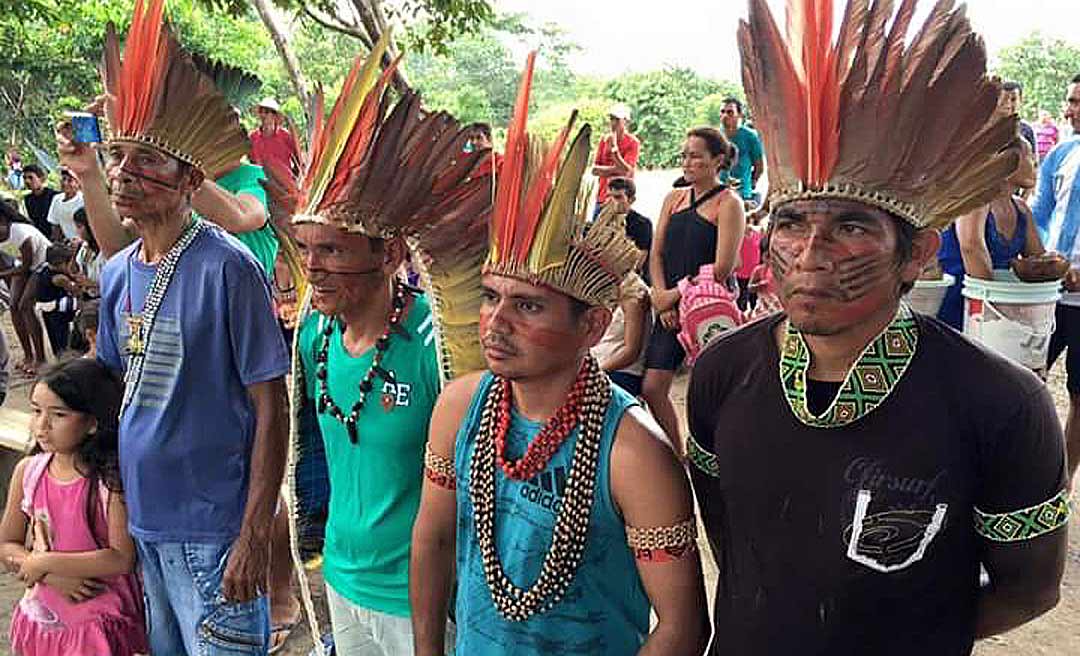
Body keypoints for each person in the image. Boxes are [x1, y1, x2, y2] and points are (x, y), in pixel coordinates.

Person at [689, 2, 1068, 654]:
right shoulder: (723, 371)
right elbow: (733, 539)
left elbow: (1030, 587)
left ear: (917, 252)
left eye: (852, 227)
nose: (810, 255)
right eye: (791, 224)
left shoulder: (1002, 404)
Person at [410, 53, 709, 656]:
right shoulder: (460, 406)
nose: (495, 322)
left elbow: (682, 629)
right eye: (491, 297)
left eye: (528, 306)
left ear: (593, 323)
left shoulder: (635, 454)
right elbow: (432, 540)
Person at [82, 4, 291, 653]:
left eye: (146, 160)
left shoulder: (227, 269)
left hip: (215, 529)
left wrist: (255, 529)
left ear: (191, 180)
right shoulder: (117, 271)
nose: (124, 174)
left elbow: (270, 404)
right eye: (118, 156)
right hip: (146, 525)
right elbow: (115, 386)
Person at [285, 35, 492, 654]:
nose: (313, 268)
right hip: (343, 583)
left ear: (390, 254)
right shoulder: (314, 331)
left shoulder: (438, 345)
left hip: (422, 598)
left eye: (333, 250)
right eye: (306, 249)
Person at [0, 359, 147, 656]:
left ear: (92, 422)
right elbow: (7, 544)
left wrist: (43, 563)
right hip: (43, 617)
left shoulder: (109, 481)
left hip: (98, 624)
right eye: (36, 411)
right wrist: (49, 575)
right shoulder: (29, 472)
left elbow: (120, 557)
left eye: (58, 415)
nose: (42, 425)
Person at [642, 127, 744, 456]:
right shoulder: (674, 199)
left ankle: (717, 454)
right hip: (669, 307)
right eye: (684, 155)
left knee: (713, 390)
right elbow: (656, 254)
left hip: (706, 310)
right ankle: (676, 454)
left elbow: (722, 268)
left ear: (717, 161)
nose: (687, 162)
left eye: (696, 156)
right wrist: (660, 298)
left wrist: (672, 296)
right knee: (653, 387)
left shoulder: (729, 203)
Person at [938, 138, 1044, 329]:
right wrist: (993, 304)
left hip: (997, 301)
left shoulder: (1021, 209)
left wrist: (1057, 270)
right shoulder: (976, 198)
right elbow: (971, 246)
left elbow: (1037, 259)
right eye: (1029, 157)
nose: (1035, 163)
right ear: (1006, 160)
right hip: (963, 300)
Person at [1036, 72, 1080, 483]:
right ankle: (1027, 475)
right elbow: (1039, 216)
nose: (1070, 110)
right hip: (1049, 295)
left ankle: (1060, 485)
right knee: (1027, 381)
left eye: (1078, 102)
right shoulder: (1061, 155)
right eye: (1070, 101)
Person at [0, 202, 51, 375]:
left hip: (43, 265)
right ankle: (28, 356)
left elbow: (28, 265)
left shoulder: (20, 232)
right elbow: (6, 269)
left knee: (25, 306)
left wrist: (5, 275)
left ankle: (41, 358)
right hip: (21, 266)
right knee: (14, 306)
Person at [594, 271, 651, 396]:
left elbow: (631, 351)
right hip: (600, 366)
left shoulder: (634, 292)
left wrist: (595, 372)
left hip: (621, 372)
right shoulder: (604, 286)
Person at [591, 103, 641, 209]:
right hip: (602, 197)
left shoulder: (633, 143)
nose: (613, 123)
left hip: (621, 200)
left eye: (617, 120)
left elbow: (626, 171)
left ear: (626, 122)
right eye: (611, 119)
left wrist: (614, 152)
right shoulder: (604, 140)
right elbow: (594, 170)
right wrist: (617, 169)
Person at [718, 97, 765, 204]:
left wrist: (751, 182)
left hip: (742, 195)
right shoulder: (716, 136)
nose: (725, 116)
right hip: (718, 194)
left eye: (730, 112)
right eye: (722, 112)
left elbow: (759, 167)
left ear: (739, 115)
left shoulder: (750, 137)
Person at [607, 177, 653, 264]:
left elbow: (639, 262)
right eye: (609, 196)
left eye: (618, 197)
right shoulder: (603, 222)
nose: (612, 201)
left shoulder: (642, 224)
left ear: (631, 200)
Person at [250, 97, 300, 177]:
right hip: (261, 183)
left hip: (284, 183)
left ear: (274, 116)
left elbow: (298, 160)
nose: (263, 115)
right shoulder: (253, 137)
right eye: (261, 112)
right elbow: (252, 162)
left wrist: (292, 178)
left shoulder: (285, 136)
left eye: (266, 112)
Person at [45, 169, 84, 242]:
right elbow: (55, 225)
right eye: (63, 179)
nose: (65, 183)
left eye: (70, 180)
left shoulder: (83, 200)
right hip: (67, 242)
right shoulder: (56, 199)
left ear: (78, 183)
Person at [21, 165, 59, 237]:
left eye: (31, 178)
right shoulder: (28, 199)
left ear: (41, 179)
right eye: (24, 178)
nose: (27, 181)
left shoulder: (55, 196)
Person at [1001, 81, 1037, 153]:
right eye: (1004, 100)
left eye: (1013, 99)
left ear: (1020, 101)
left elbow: (1033, 160)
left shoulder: (1027, 130)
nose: (1008, 105)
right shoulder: (988, 130)